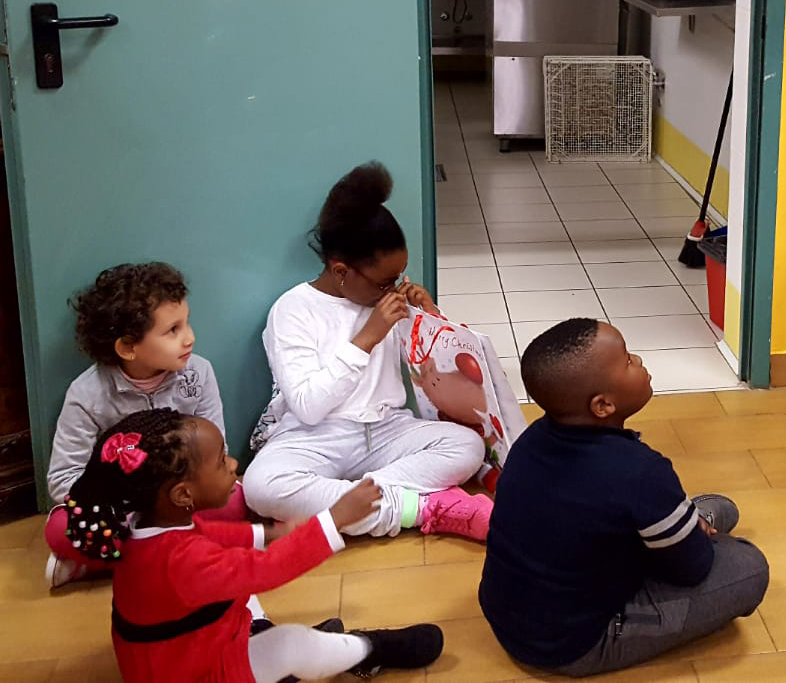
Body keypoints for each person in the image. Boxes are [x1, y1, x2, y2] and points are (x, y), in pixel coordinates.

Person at [64, 407, 443, 682]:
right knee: (292, 644)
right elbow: (267, 570)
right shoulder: (182, 562)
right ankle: (368, 649)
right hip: (194, 672)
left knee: (236, 579)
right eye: (220, 462)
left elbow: (211, 536)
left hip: (176, 653)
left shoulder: (143, 526)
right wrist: (335, 519)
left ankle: (259, 635)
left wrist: (269, 534)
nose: (233, 465)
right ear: (183, 494)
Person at [480, 319, 768, 677]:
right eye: (628, 360)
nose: (639, 360)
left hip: (506, 609)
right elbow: (693, 570)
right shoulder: (641, 471)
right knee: (749, 567)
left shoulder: (531, 439)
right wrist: (691, 542)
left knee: (722, 508)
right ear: (602, 405)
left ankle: (684, 526)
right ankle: (685, 529)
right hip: (574, 643)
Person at [243, 162, 492, 540]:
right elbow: (308, 407)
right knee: (261, 487)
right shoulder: (293, 309)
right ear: (341, 271)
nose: (392, 289)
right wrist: (367, 337)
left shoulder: (387, 303)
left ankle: (355, 504)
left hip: (386, 430)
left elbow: (431, 377)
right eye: (383, 282)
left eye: (398, 277)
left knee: (467, 446)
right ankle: (422, 508)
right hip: (314, 437)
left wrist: (429, 318)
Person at [45, 262, 249, 589]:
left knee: (235, 503)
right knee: (60, 530)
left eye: (187, 322)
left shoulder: (199, 374)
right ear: (128, 347)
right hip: (121, 510)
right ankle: (171, 554)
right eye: (173, 330)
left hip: (182, 501)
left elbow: (215, 450)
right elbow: (63, 478)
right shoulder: (87, 394)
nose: (190, 338)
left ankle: (112, 563)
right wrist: (131, 503)